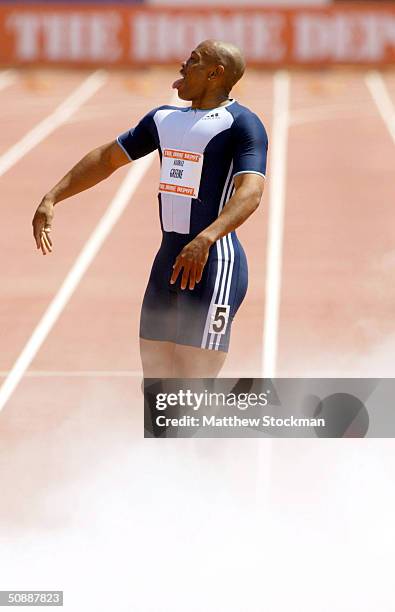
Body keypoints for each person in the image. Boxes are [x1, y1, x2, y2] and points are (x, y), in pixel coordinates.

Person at [32, 40, 268, 379]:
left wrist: (206, 238)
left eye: (194, 61)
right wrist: (52, 197)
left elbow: (251, 192)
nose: (183, 65)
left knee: (192, 390)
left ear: (215, 74)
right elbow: (106, 159)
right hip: (167, 266)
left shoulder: (242, 124)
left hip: (214, 267)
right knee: (157, 386)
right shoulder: (163, 119)